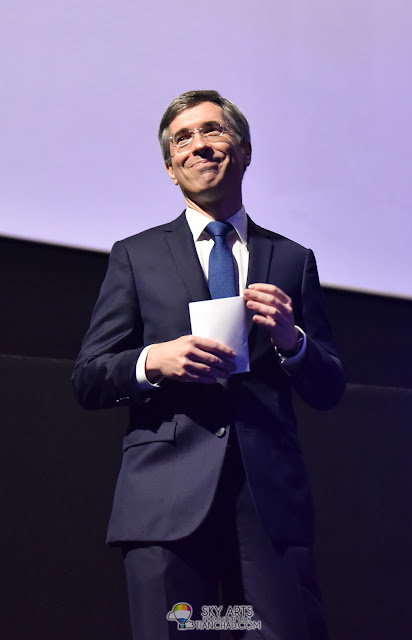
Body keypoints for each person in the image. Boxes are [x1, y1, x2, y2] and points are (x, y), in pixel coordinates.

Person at [72, 90, 345, 639]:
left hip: (268, 505)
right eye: (183, 139)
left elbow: (329, 386)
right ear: (171, 169)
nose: (199, 145)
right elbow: (89, 377)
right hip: (164, 504)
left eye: (212, 132)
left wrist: (292, 341)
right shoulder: (136, 255)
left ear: (243, 151)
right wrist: (153, 361)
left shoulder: (292, 259)